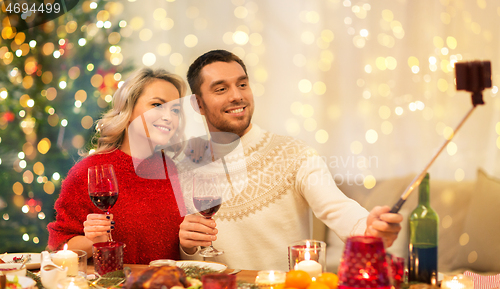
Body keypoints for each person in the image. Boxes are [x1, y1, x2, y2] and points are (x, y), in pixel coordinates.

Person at [178, 50, 403, 271]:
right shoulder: (186, 165)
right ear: (198, 104)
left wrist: (369, 228)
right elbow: (191, 261)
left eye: (243, 84)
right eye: (221, 89)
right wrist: (187, 247)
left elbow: (337, 208)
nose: (237, 95)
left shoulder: (295, 154)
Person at [47, 68, 187, 264]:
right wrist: (92, 241)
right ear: (128, 110)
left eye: (175, 110)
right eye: (157, 105)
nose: (169, 117)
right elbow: (57, 247)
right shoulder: (88, 171)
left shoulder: (172, 169)